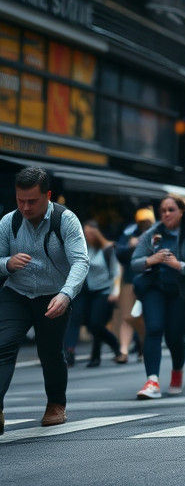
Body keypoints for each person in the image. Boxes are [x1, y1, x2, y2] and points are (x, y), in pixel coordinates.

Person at [0, 166, 88, 432]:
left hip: (54, 296)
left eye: (32, 201)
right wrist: (7, 263)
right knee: (2, 346)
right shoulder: (8, 222)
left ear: (47, 195)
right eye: (20, 200)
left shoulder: (66, 220)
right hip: (17, 293)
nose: (25, 207)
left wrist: (66, 294)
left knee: (50, 353)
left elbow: (81, 262)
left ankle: (56, 404)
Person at [131, 195, 185, 399]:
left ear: (181, 211)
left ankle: (177, 371)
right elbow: (134, 262)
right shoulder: (153, 233)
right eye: (163, 210)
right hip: (155, 288)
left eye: (171, 209)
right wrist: (151, 260)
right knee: (154, 329)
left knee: (174, 335)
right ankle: (152, 381)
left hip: (182, 292)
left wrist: (179, 265)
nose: (166, 213)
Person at [65, 221, 120, 368]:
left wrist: (115, 292)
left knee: (96, 324)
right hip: (87, 291)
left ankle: (114, 345)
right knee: (90, 324)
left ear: (96, 234)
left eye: (90, 233)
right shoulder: (85, 248)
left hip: (104, 291)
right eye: (85, 233)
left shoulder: (108, 249)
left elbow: (116, 272)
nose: (87, 236)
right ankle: (94, 357)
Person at [114, 207, 153, 364]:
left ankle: (144, 346)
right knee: (127, 316)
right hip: (130, 279)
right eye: (142, 221)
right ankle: (123, 350)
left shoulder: (158, 232)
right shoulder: (129, 232)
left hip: (150, 280)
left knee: (144, 316)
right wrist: (131, 246)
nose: (144, 224)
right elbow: (119, 250)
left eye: (147, 221)